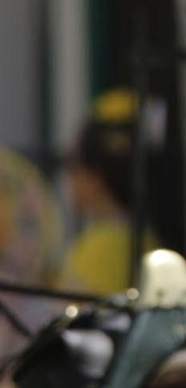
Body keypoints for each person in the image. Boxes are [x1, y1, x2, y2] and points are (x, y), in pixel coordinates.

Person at [57, 89, 159, 299]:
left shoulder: (98, 250)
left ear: (96, 175)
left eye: (73, 161)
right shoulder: (150, 240)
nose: (68, 174)